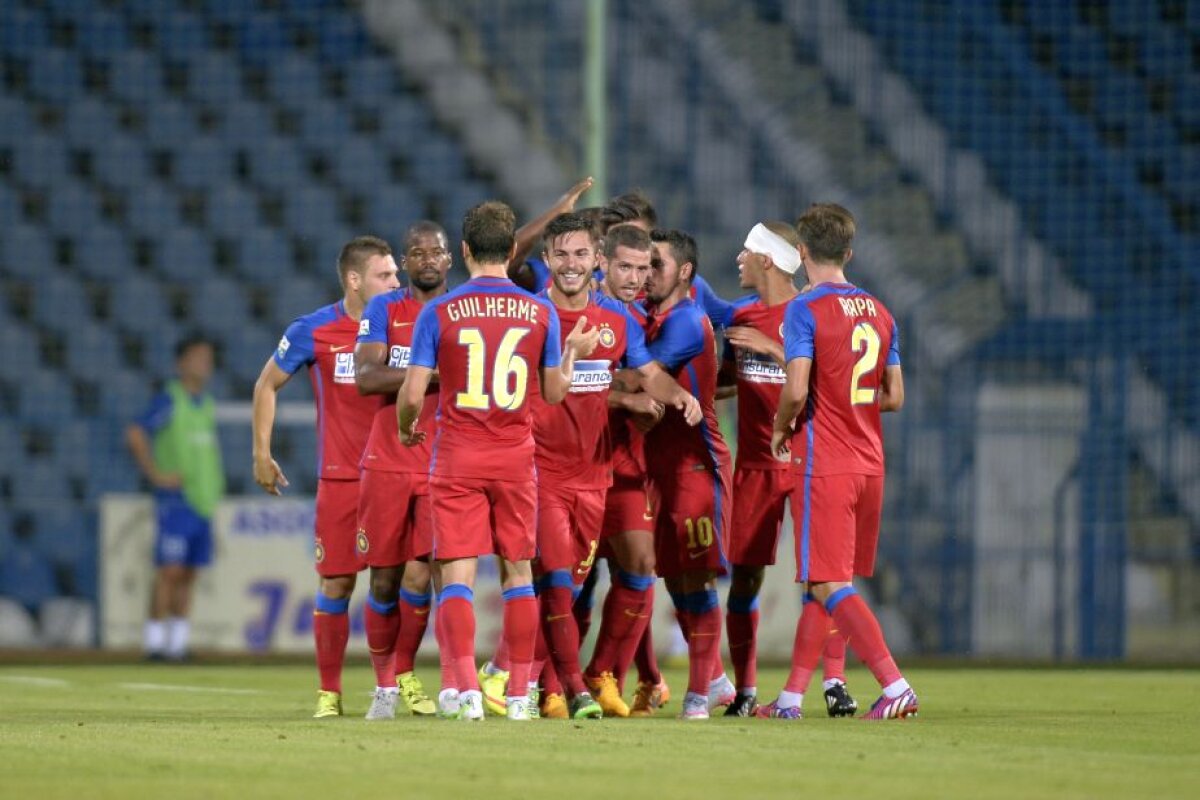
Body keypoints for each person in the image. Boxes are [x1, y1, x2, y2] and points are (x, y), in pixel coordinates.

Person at [396, 201, 599, 721]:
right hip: (516, 460)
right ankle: (516, 698)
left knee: (458, 576)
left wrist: (405, 426)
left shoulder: (437, 312)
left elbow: (414, 393)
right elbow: (554, 393)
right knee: (518, 577)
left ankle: (465, 691)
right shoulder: (542, 310)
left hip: (458, 458)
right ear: (511, 251)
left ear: (463, 251)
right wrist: (572, 352)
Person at [526, 214, 700, 720]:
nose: (572, 264)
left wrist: (679, 395)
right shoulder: (532, 317)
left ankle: (554, 681)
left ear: (594, 260)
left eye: (581, 254)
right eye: (562, 254)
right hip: (540, 471)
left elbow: (648, 373)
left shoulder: (617, 322)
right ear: (547, 261)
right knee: (557, 580)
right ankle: (557, 688)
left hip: (594, 476)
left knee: (573, 585)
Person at [761, 203, 916, 720]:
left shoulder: (804, 309)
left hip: (824, 461)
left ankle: (894, 685)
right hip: (869, 462)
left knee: (828, 583)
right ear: (848, 252)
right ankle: (789, 701)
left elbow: (797, 386)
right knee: (823, 585)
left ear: (802, 252)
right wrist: (853, 399)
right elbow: (894, 396)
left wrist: (783, 425)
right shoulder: (880, 310)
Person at [251, 236, 400, 718]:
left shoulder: (407, 324)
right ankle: (330, 693)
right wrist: (261, 453)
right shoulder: (315, 329)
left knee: (391, 582)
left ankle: (388, 690)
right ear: (355, 280)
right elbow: (266, 384)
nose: (396, 282)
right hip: (340, 477)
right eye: (385, 274)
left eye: (396, 273)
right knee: (336, 584)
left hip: (394, 476)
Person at [714, 222, 857, 717]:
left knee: (822, 579)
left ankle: (834, 683)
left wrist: (773, 349)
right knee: (745, 581)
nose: (739, 259)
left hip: (809, 463)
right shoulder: (741, 317)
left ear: (768, 261)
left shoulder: (813, 312)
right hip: (755, 467)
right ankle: (747, 690)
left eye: (747, 252)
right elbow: (725, 382)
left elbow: (834, 386)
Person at [352, 222, 453, 720]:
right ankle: (384, 683)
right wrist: (431, 374)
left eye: (436, 251)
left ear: (451, 259)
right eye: (418, 252)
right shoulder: (383, 309)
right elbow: (367, 378)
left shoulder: (460, 313)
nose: (428, 259)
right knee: (384, 582)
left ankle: (399, 678)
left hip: (442, 464)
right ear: (407, 264)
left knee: (423, 576)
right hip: (388, 462)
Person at [642, 229, 735, 720]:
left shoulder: (685, 322)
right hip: (660, 468)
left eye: (655, 264)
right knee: (675, 580)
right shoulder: (651, 316)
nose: (645, 274)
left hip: (697, 465)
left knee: (697, 582)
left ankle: (698, 693)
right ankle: (716, 679)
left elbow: (644, 374)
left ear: (684, 272)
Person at [126, 334, 224, 662]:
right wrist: (154, 473)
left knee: (190, 573)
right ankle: (154, 643)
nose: (204, 363)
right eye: (197, 356)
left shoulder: (206, 402)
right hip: (176, 499)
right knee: (169, 570)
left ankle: (176, 644)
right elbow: (136, 431)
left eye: (207, 357)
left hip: (201, 500)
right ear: (181, 362)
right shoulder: (170, 399)